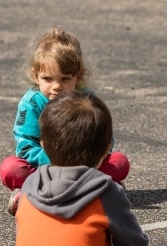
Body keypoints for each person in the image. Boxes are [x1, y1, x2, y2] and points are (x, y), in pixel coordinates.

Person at [0, 26, 130, 215]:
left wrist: (86, 161)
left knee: (119, 162)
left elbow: (105, 141)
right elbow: (25, 147)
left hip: (84, 168)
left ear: (79, 76)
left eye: (65, 78)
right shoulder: (31, 104)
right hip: (45, 169)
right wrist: (60, 164)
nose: (57, 86)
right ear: (36, 75)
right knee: (10, 168)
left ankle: (37, 194)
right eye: (48, 78)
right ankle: (98, 189)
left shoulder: (86, 100)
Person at [15, 90, 148, 246]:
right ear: (106, 150)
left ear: (42, 145)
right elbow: (135, 243)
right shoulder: (106, 192)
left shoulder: (29, 186)